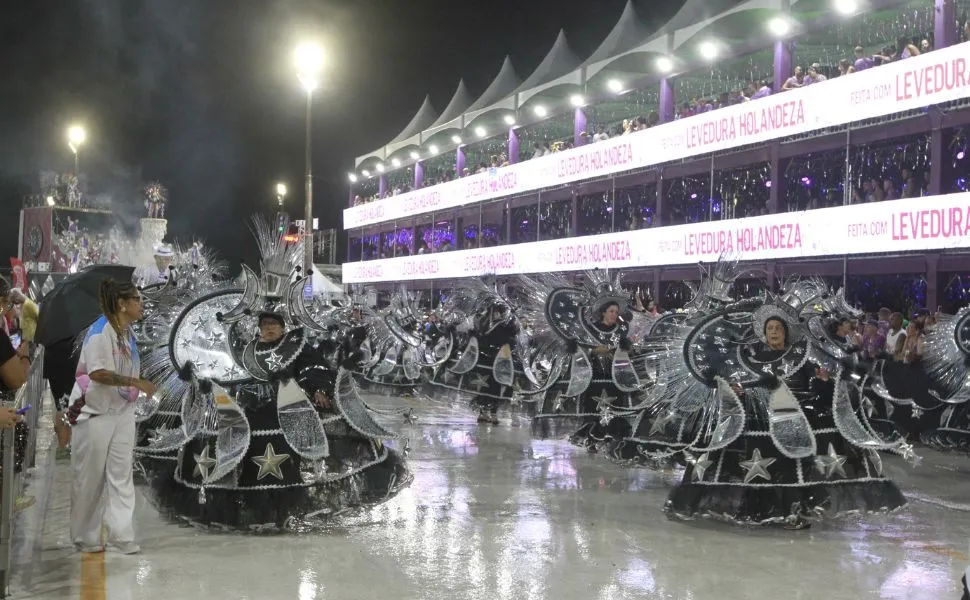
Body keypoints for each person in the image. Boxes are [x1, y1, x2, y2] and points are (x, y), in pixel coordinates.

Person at [67, 279, 155, 554]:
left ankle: (122, 534)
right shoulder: (100, 332)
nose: (142, 304)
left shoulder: (127, 333)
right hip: (93, 412)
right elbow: (97, 373)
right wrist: (136, 382)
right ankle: (86, 536)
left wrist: (136, 388)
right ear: (122, 304)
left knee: (121, 474)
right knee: (90, 477)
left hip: (121, 413)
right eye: (137, 299)